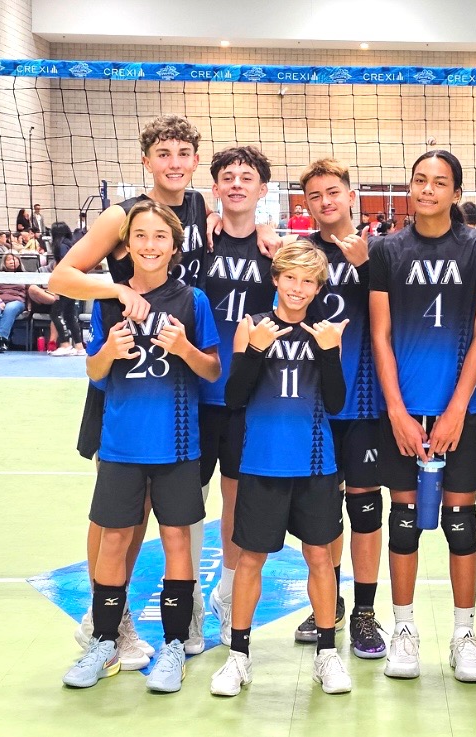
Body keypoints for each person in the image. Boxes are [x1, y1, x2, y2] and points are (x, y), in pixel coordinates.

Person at [50, 115, 215, 662]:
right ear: (147, 160)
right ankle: (105, 623)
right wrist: (117, 288)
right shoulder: (122, 216)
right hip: (119, 379)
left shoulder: (196, 209)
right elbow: (61, 279)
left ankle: (149, 622)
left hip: (172, 385)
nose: (173, 162)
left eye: (182, 153)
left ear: (194, 160)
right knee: (116, 515)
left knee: (157, 515)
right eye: (162, 152)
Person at [369, 150, 476, 683]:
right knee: (403, 519)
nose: (426, 189)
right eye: (419, 180)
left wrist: (457, 408)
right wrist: (396, 409)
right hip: (402, 405)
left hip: (460, 407)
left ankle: (465, 634)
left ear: (456, 191)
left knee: (460, 522)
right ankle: (403, 629)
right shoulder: (387, 249)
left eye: (439, 182)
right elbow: (380, 332)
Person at [210, 241, 350, 697]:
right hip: (262, 462)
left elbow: (336, 403)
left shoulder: (325, 331)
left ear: (318, 287)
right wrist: (252, 351)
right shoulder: (251, 327)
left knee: (320, 558)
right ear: (275, 279)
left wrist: (330, 352)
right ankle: (238, 656)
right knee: (251, 558)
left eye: (308, 281)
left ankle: (327, 654)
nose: (297, 288)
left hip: (315, 465)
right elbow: (234, 397)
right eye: (290, 277)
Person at [286, 158, 386, 659]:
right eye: (315, 196)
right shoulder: (299, 257)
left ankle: (366, 614)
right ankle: (330, 604)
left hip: (365, 401)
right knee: (322, 515)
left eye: (333, 192)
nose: (325, 202)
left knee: (366, 506)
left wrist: (367, 264)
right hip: (314, 405)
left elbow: (397, 315)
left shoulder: (379, 251)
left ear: (351, 195)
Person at [199, 146, 277, 646]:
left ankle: (227, 596)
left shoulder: (275, 252)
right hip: (193, 391)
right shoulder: (196, 244)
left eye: (246, 177)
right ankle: (183, 601)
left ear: (262, 190)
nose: (236, 184)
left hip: (245, 397)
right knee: (185, 502)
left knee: (233, 499)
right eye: (227, 177)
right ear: (215, 189)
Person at [47, 222, 85, 356]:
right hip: (73, 280)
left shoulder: (61, 245)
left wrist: (57, 287)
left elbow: (64, 266)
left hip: (66, 281)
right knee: (69, 315)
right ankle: (79, 347)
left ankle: (65, 345)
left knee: (56, 313)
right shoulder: (70, 243)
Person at [0, 252, 27, 352]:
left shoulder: (26, 275)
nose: (12, 261)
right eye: (9, 259)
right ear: (4, 262)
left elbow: (30, 292)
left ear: (19, 262)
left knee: (10, 308)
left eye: (15, 259)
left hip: (17, 301)